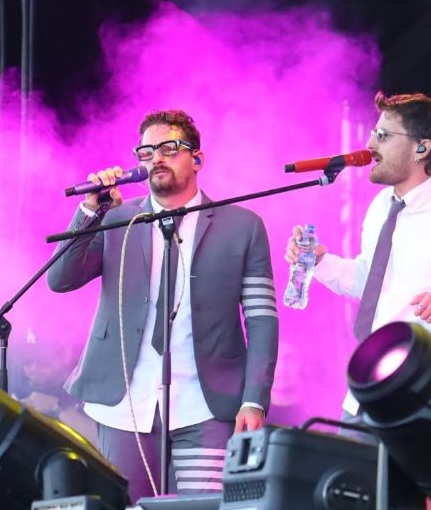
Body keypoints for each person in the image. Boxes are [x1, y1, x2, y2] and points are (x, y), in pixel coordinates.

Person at [47, 110, 278, 500]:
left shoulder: (243, 225)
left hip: (207, 403)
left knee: (205, 508)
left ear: (197, 158)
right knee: (130, 507)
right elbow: (60, 279)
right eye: (147, 152)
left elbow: (261, 319)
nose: (156, 158)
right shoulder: (118, 219)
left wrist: (254, 399)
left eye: (169, 148)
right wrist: (89, 212)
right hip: (125, 402)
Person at [285, 92, 431, 430]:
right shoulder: (382, 206)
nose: (370, 145)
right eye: (373, 133)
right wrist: (321, 262)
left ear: (421, 148)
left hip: (428, 396)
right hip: (368, 388)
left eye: (382, 135)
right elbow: (372, 283)